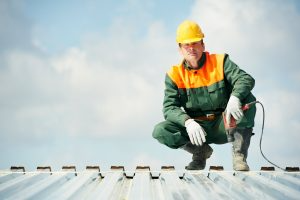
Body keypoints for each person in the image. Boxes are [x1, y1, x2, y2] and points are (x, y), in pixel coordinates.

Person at [152, 20, 256, 171]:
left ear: (203, 45)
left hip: (225, 124)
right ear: (180, 49)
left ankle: (239, 155)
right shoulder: (174, 75)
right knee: (160, 131)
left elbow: (245, 79)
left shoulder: (220, 62)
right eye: (186, 45)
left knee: (248, 100)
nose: (191, 48)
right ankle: (200, 152)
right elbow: (169, 108)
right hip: (197, 131)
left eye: (195, 43)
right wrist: (187, 122)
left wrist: (235, 97)